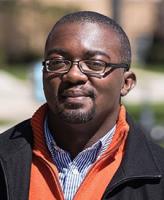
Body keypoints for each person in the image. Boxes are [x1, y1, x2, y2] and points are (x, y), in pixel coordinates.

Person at [0, 11, 164, 200]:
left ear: (126, 83)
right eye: (57, 62)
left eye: (95, 64)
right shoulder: (4, 157)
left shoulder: (158, 177)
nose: (74, 75)